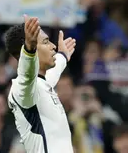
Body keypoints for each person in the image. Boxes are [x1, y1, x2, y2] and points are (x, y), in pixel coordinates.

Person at [5, 15, 76, 153]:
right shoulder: (20, 88)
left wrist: (62, 55)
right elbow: (26, 76)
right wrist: (29, 50)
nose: (53, 46)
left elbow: (51, 74)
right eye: (46, 42)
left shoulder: (42, 84)